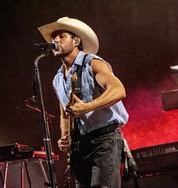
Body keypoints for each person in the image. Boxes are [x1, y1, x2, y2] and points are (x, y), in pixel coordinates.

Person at [38, 17, 129, 188]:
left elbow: (119, 90)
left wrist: (87, 107)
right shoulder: (58, 79)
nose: (55, 40)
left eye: (61, 36)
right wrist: (65, 138)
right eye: (53, 38)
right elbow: (65, 112)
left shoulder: (92, 63)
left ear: (76, 41)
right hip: (81, 147)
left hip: (104, 140)